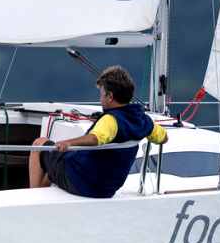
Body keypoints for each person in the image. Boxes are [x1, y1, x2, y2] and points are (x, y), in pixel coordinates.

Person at [29, 65, 167, 198]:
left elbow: (95, 138)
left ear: (110, 96)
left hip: (81, 182)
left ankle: (34, 200)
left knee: (39, 144)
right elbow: (163, 138)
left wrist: (68, 142)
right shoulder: (144, 120)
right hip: (107, 188)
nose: (100, 99)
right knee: (56, 161)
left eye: (101, 94)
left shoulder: (111, 120)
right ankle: (45, 191)